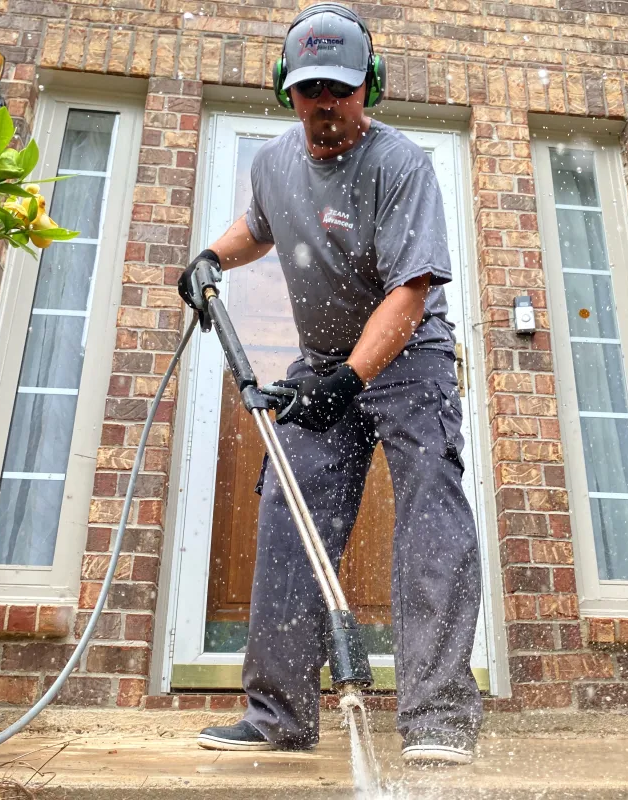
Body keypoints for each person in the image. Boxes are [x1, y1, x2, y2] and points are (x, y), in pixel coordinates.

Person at [178, 2, 482, 765]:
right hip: (322, 362)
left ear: (367, 87)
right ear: (288, 90)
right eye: (310, 89)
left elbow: (411, 291)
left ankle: (438, 717)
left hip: (409, 359)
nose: (325, 106)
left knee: (429, 516)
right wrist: (211, 257)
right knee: (289, 512)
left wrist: (350, 379)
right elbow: (260, 224)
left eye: (340, 90)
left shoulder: (400, 164)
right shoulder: (274, 160)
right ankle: (278, 716)